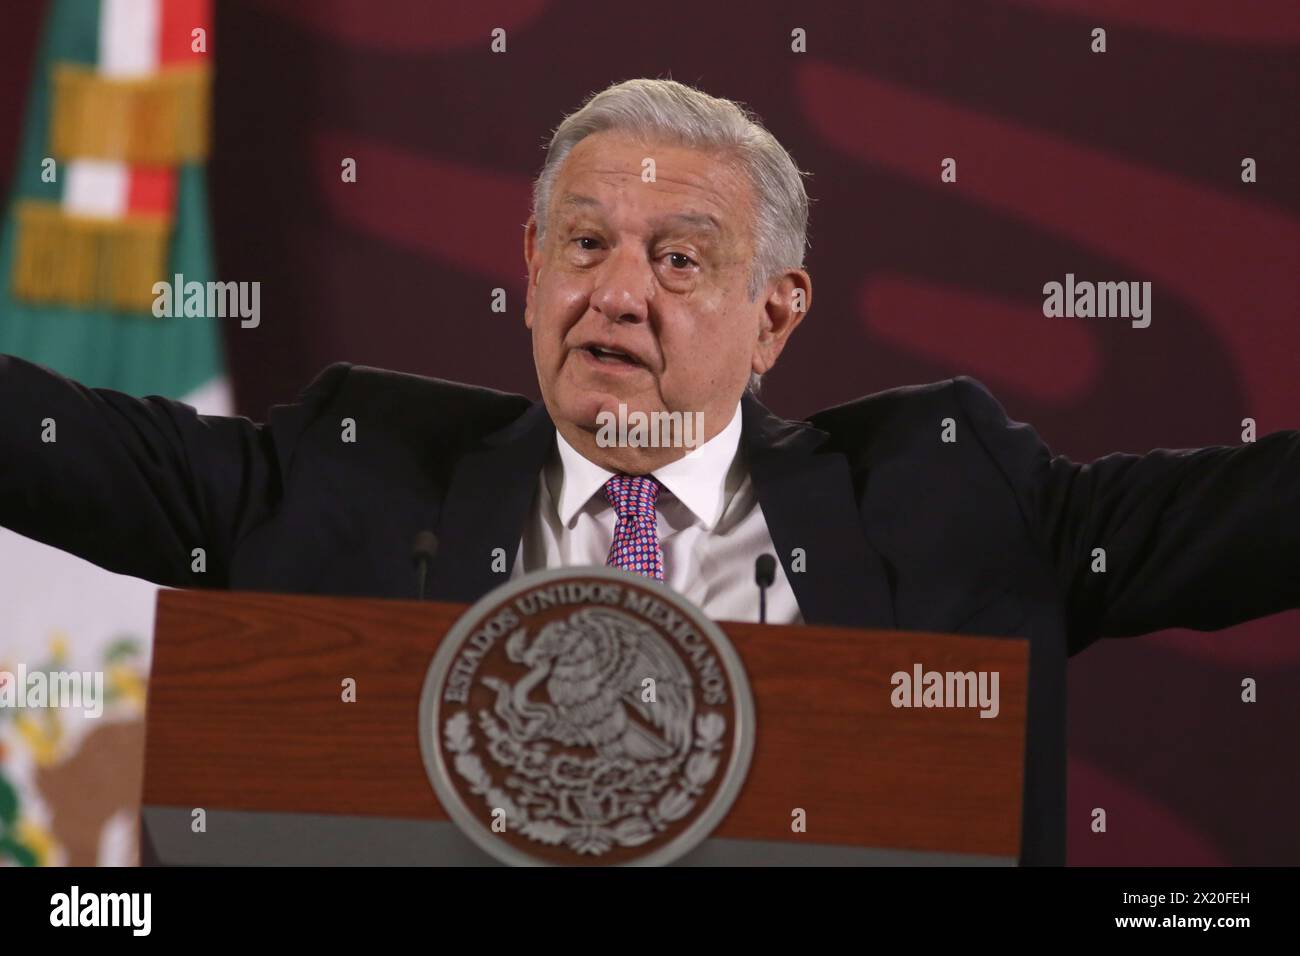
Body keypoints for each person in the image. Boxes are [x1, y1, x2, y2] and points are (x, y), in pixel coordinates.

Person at [1, 78, 1296, 865]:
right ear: (529, 267)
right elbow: (57, 448)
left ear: (777, 314)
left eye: (679, 259)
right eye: (583, 244)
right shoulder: (356, 469)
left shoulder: (949, 501)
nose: (615, 294)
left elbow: (1251, 517)